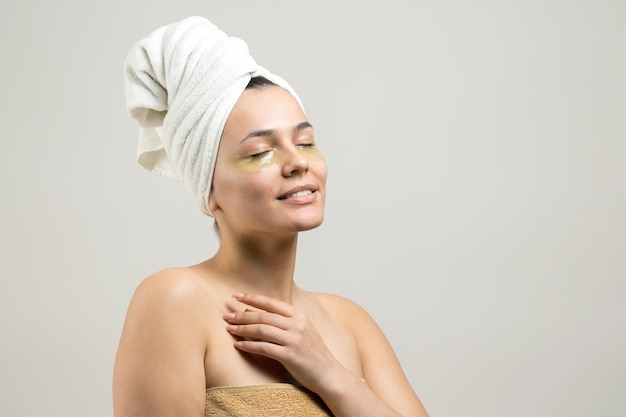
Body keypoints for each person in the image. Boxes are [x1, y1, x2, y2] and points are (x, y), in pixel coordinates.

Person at [113, 16, 429, 417]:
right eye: (261, 152)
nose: (298, 162)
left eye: (306, 142)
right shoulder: (175, 300)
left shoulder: (350, 322)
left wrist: (328, 372)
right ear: (209, 192)